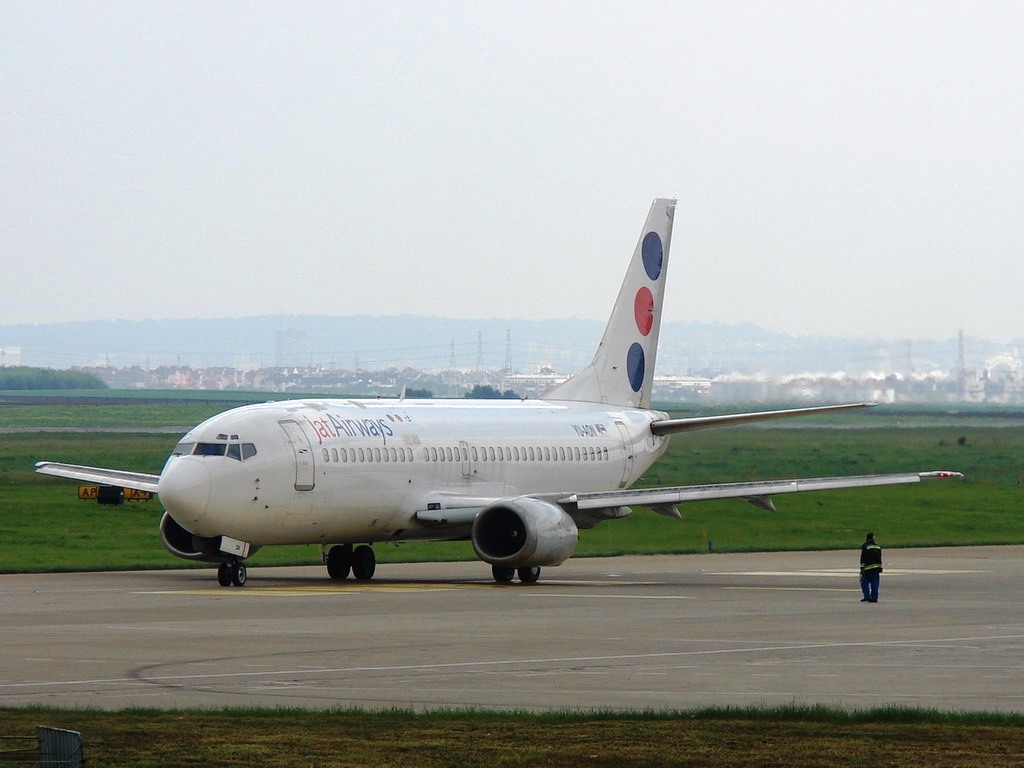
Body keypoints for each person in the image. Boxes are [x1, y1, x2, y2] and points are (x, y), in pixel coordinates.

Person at [859, 532, 883, 602]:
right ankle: (874, 598)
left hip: (868, 568)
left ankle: (867, 596)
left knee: (864, 582)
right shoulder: (878, 546)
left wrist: (862, 568)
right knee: (875, 583)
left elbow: (863, 557)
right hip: (876, 568)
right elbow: (879, 558)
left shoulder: (865, 546)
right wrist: (880, 567)